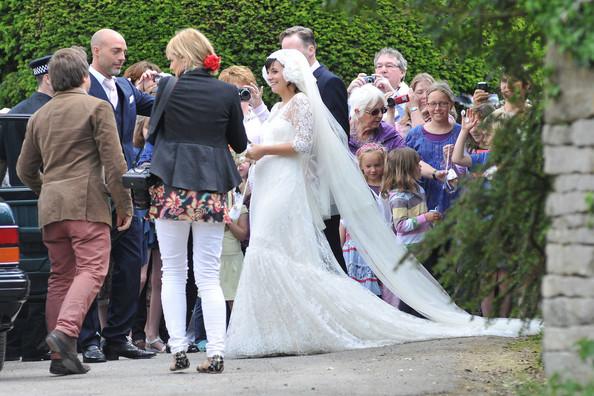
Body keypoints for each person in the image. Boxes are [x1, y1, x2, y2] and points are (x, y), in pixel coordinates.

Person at [225, 49, 540, 359]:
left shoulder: (303, 103)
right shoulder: (277, 108)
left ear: (291, 74)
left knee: (280, 251)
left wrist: (263, 151)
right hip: (267, 183)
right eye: (269, 71)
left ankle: (304, 325)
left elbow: (304, 145)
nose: (270, 76)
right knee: (266, 250)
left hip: (285, 185)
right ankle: (275, 328)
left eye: (276, 70)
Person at [16, 47, 133, 376]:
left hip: (51, 207)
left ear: (51, 79)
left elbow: (25, 169)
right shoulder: (97, 107)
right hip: (86, 204)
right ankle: (66, 333)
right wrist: (123, 204)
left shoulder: (39, 116)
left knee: (60, 278)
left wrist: (48, 190)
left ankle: (60, 359)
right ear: (85, 77)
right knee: (93, 270)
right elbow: (115, 163)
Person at [147, 28, 247, 373]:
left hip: (171, 185)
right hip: (211, 187)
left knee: (173, 271)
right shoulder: (226, 91)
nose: (170, 65)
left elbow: (153, 133)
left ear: (185, 57)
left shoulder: (168, 87)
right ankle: (216, 351)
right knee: (209, 275)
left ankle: (178, 349)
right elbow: (240, 141)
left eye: (173, 58)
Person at [79, 28, 156, 364]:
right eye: (116, 51)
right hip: (92, 189)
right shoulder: (81, 87)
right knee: (91, 267)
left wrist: (174, 83)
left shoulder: (126, 86)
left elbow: (156, 106)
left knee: (130, 262)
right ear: (96, 51)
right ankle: (87, 340)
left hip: (125, 188)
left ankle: (117, 337)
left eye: (124, 51)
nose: (122, 57)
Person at [279, 25, 349, 273]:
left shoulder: (329, 83)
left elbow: (339, 135)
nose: (287, 60)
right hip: (296, 181)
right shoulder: (288, 87)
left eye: (293, 52)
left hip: (321, 182)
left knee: (329, 249)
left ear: (311, 49)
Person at [2, 55, 54, 363]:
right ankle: (35, 344)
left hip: (15, 201)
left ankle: (17, 342)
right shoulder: (52, 114)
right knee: (47, 271)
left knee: (17, 270)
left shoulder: (16, 113)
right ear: (48, 78)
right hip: (43, 195)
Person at [124, 61, 167, 354]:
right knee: (137, 274)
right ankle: (125, 332)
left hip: (160, 201)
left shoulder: (160, 110)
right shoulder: (128, 107)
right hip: (139, 202)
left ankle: (152, 333)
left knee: (160, 276)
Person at [382, 147, 441, 315]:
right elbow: (400, 226)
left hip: (424, 242)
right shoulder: (399, 197)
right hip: (411, 248)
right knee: (414, 287)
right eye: (417, 165)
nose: (420, 168)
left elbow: (421, 214)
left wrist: (431, 220)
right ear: (407, 168)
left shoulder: (418, 189)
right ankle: (409, 316)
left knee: (428, 283)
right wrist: (425, 218)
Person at [405, 82, 463, 214]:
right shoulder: (415, 134)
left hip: (454, 201)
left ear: (451, 105)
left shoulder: (460, 132)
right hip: (422, 200)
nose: (437, 108)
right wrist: (435, 174)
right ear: (427, 105)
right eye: (433, 104)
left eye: (443, 103)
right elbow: (410, 164)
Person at [340, 143, 386, 296]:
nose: (373, 170)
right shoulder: (358, 189)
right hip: (359, 244)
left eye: (377, 165)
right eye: (368, 166)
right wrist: (340, 247)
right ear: (361, 167)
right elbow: (345, 220)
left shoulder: (388, 187)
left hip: (380, 241)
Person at [0, 55, 54, 187]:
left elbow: (2, 160)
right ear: (47, 79)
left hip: (18, 197)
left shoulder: (14, 112)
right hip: (47, 192)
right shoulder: (54, 112)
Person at [347, 48, 409, 122]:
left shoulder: (409, 94)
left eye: (389, 66)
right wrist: (349, 95)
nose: (383, 70)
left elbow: (407, 123)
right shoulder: (368, 93)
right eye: (379, 66)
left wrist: (392, 95)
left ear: (402, 72)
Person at [348, 84, 406, 154]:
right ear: (357, 112)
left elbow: (406, 157)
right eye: (374, 112)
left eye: (383, 110)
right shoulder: (343, 132)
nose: (380, 115)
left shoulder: (389, 134)